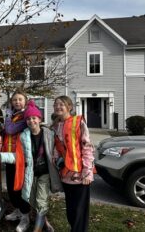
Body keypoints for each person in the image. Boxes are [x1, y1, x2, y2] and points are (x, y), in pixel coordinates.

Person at [0, 100, 62, 232]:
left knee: (41, 200)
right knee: (29, 198)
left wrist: (58, 157)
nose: (31, 121)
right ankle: (39, 222)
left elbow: (57, 148)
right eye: (29, 119)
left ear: (39, 118)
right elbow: (19, 155)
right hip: (30, 172)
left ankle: (38, 228)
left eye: (34, 118)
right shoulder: (24, 136)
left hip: (44, 174)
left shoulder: (48, 134)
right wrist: (3, 156)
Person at [51, 95, 95, 232]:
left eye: (61, 104)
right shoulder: (56, 126)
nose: (58, 107)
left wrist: (87, 171)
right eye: (56, 104)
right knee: (71, 210)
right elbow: (57, 148)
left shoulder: (78, 122)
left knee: (79, 212)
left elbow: (87, 146)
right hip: (65, 174)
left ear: (69, 107)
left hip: (80, 175)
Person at [0, 89, 31, 231]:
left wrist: (6, 118)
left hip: (20, 157)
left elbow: (11, 130)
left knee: (20, 188)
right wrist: (0, 128)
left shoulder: (26, 116)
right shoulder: (14, 115)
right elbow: (7, 131)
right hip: (9, 155)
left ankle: (25, 217)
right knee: (12, 188)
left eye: (20, 99)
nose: (17, 102)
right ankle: (18, 211)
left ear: (25, 101)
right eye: (14, 100)